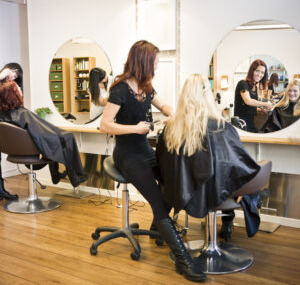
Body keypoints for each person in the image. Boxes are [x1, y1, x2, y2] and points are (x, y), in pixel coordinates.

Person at [100, 40, 206, 282]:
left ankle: (158, 226)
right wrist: (134, 128)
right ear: (144, 62)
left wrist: (172, 114)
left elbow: (165, 105)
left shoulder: (146, 87)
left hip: (145, 149)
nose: (156, 66)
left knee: (172, 183)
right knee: (159, 203)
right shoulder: (120, 89)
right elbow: (104, 124)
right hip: (127, 154)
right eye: (155, 62)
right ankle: (182, 260)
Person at [156, 74, 261, 242]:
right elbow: (236, 163)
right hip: (218, 191)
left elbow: (162, 164)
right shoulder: (222, 127)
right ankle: (227, 223)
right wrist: (246, 187)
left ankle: (160, 224)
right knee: (231, 175)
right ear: (208, 95)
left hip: (183, 190)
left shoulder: (171, 128)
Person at [0, 79, 88, 188]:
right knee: (67, 137)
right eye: (18, 89)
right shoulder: (22, 113)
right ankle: (75, 176)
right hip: (32, 149)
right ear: (13, 95)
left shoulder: (3, 116)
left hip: (14, 151)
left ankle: (56, 174)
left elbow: (34, 132)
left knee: (57, 138)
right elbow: (39, 134)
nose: (20, 90)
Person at [0, 63, 23, 200]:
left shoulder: (9, 89)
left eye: (16, 76)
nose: (12, 77)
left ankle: (1, 191)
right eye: (11, 73)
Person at [234, 59, 273, 132]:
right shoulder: (242, 83)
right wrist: (266, 104)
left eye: (262, 72)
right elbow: (248, 101)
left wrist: (260, 109)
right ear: (252, 71)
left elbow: (249, 107)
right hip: (242, 124)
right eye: (257, 71)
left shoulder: (255, 87)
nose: (259, 74)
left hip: (250, 123)